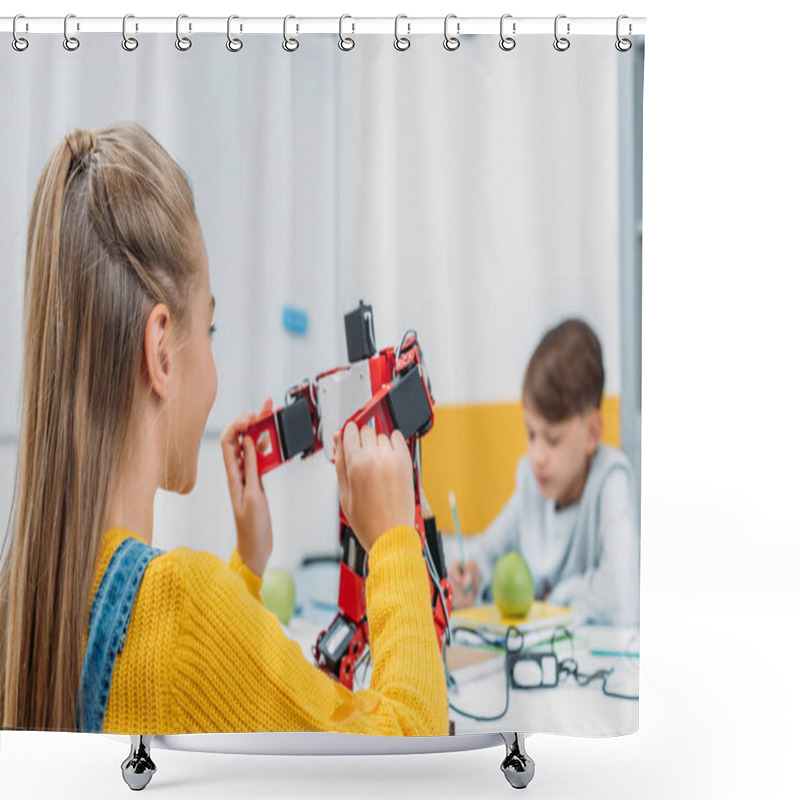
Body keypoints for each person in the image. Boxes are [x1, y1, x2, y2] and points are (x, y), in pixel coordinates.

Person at [0, 122, 449, 735]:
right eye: (207, 331)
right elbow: (412, 747)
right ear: (160, 351)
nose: (212, 372)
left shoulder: (23, 606)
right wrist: (395, 540)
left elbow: (181, 690)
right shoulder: (187, 613)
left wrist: (249, 564)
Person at [448, 319, 640, 625]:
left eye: (552, 439)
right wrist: (472, 575)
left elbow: (621, 597)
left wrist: (557, 599)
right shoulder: (531, 480)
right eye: (531, 434)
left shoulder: (610, 479)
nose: (537, 456)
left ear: (592, 432)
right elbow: (487, 550)